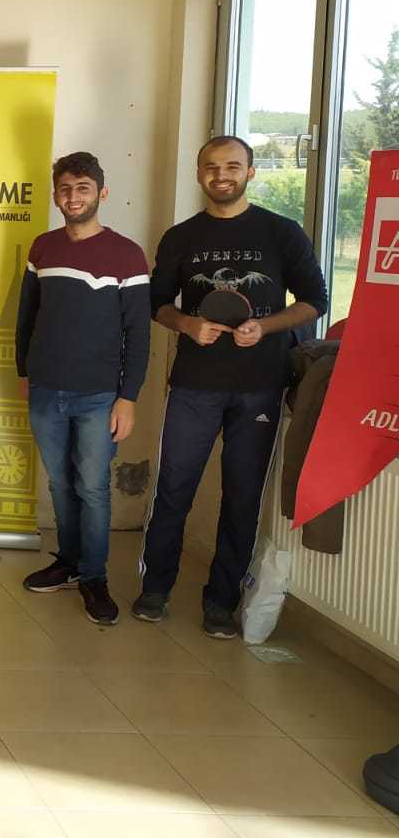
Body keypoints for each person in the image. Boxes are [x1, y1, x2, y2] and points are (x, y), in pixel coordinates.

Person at [136, 135, 326, 639]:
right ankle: (154, 589)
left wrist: (265, 327)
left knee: (242, 499)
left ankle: (221, 603)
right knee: (173, 489)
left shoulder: (282, 232)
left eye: (233, 166)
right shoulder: (180, 237)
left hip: (261, 386)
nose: (222, 175)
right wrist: (186, 324)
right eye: (212, 166)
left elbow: (315, 300)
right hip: (194, 385)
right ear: (200, 173)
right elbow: (157, 302)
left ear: (250, 172)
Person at [15, 152, 151, 626]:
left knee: (92, 488)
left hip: (99, 396)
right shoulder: (43, 247)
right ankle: (69, 563)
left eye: (83, 189)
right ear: (56, 195)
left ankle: (94, 577)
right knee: (59, 483)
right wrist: (24, 373)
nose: (73, 198)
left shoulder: (127, 254)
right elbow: (26, 316)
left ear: (102, 193)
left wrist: (128, 398)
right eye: (65, 189)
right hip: (45, 390)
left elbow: (139, 334)